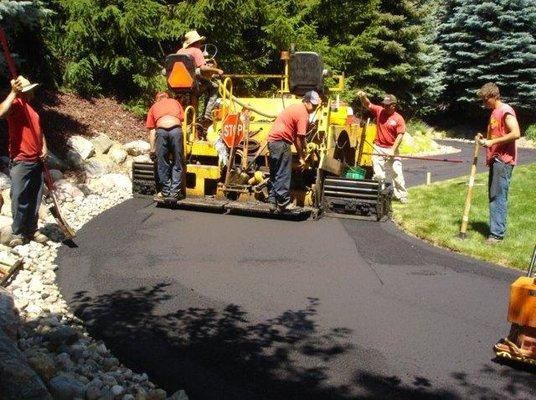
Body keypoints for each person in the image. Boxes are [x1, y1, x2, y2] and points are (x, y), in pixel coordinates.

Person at [0, 76, 48, 246]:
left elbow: (40, 132)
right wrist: (13, 93)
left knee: (35, 196)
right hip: (21, 160)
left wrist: (44, 147)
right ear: (24, 91)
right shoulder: (16, 105)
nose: (32, 93)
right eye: (29, 90)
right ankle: (18, 232)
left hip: (36, 160)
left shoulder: (32, 111)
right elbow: (1, 112)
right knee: (19, 197)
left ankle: (32, 229)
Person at [476, 82, 520, 243]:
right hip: (496, 160)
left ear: (494, 96)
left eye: (485, 100)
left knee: (498, 196)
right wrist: (484, 140)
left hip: (503, 160)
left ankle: (496, 235)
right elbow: (494, 138)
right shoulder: (494, 111)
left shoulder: (505, 111)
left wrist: (492, 143)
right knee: (494, 195)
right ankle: (496, 231)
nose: (484, 103)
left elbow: (516, 133)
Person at [267, 90, 320, 212]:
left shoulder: (295, 107)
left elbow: (299, 137)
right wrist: (302, 156)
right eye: (313, 105)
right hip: (282, 142)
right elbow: (299, 137)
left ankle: (272, 202)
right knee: (284, 173)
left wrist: (305, 147)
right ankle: (284, 203)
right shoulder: (303, 114)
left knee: (275, 173)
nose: (314, 108)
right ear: (306, 101)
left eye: (316, 106)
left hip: (272, 141)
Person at [357, 91, 408, 203]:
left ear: (393, 105)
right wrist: (363, 97)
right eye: (384, 104)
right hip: (378, 148)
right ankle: (381, 194)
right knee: (379, 175)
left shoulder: (399, 119)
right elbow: (368, 104)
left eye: (387, 105)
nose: (384, 106)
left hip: (392, 148)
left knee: (397, 172)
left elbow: (400, 135)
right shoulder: (380, 111)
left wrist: (392, 150)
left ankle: (402, 195)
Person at [177, 30, 223, 124]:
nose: (200, 44)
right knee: (214, 86)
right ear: (196, 42)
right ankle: (207, 115)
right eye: (200, 42)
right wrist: (217, 70)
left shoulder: (179, 51)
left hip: (178, 84)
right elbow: (203, 68)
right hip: (192, 84)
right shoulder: (196, 51)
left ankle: (191, 117)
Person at [146, 92, 185, 201]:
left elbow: (152, 131)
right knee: (178, 161)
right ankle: (175, 192)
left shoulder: (154, 107)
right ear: (167, 97)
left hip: (161, 131)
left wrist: (152, 150)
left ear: (157, 99)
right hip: (176, 131)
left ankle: (166, 191)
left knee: (162, 162)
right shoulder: (175, 102)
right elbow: (182, 119)